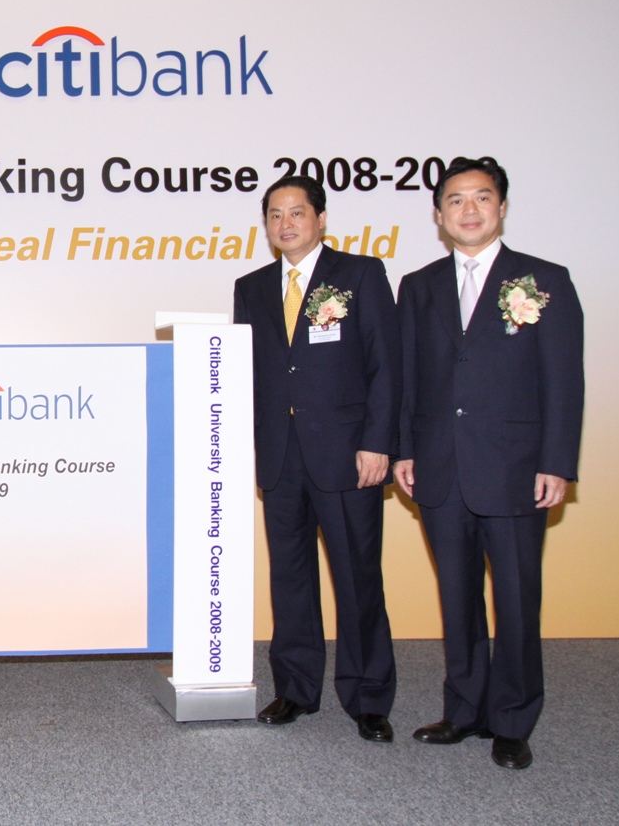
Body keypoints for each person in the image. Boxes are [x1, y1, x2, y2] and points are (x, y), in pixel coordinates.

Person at [394, 157, 583, 771]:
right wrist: (404, 449)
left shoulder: (543, 278)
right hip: (440, 469)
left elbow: (563, 381)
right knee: (457, 596)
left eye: (481, 198)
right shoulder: (418, 286)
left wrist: (557, 461)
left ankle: (513, 719)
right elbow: (406, 379)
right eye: (455, 200)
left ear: (500, 207)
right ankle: (465, 708)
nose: (468, 210)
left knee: (518, 599)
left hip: (516, 469)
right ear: (439, 214)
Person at [232, 175, 400, 743]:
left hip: (348, 454)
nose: (286, 224)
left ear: (321, 218)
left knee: (357, 577)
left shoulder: (359, 274)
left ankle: (369, 697)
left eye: (297, 212)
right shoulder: (250, 287)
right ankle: (295, 689)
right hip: (280, 456)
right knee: (291, 577)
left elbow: (386, 365)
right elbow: (248, 376)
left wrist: (379, 441)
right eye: (275, 215)